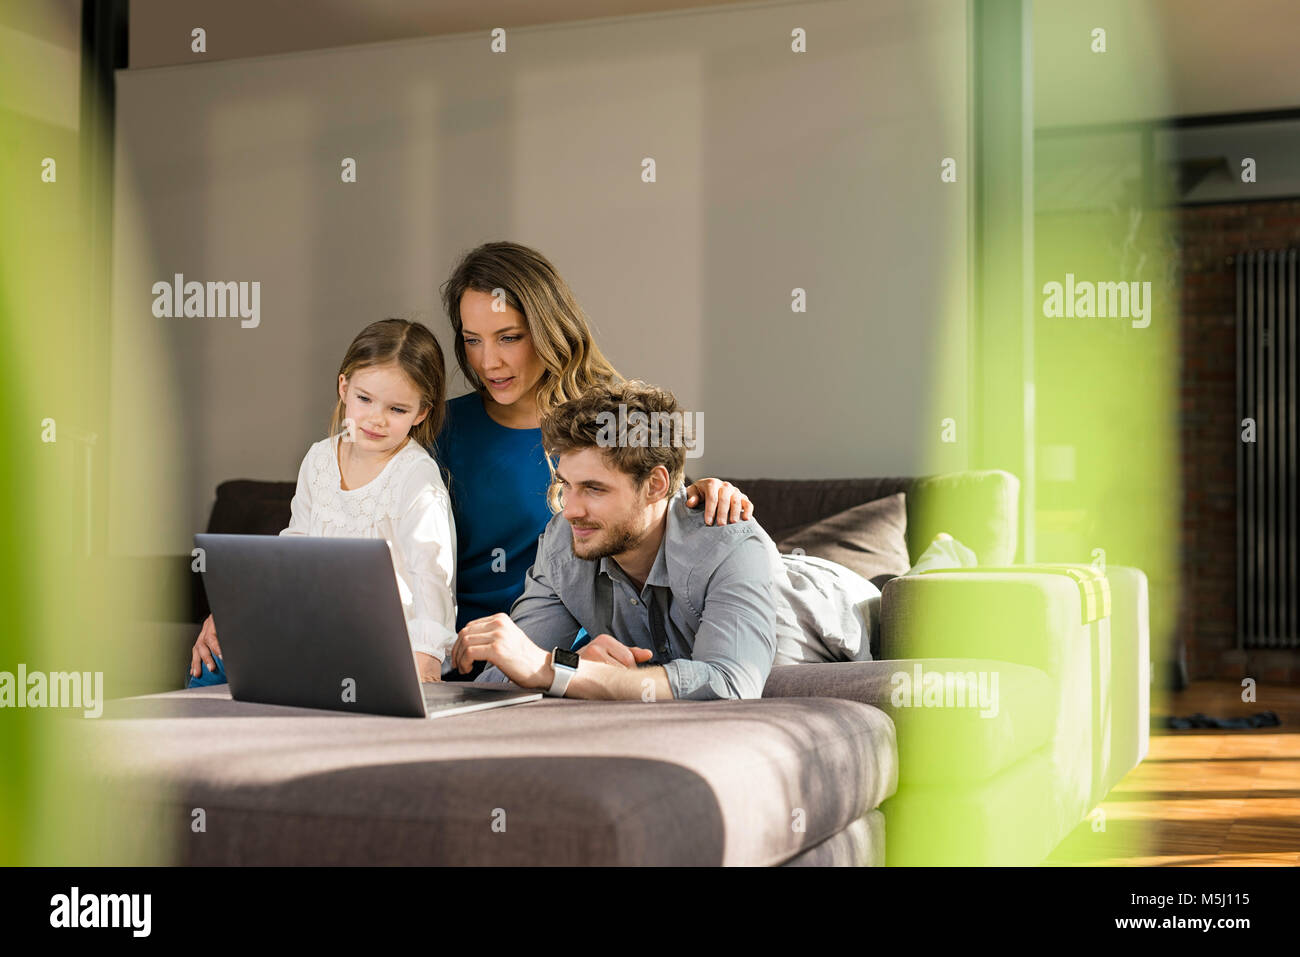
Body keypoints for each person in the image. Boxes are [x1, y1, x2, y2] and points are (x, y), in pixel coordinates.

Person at [432, 241, 753, 678]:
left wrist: (705, 492)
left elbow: (655, 509)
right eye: (472, 341)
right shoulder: (442, 428)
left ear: (547, 329)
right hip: (461, 656)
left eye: (509, 337)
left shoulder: (608, 415)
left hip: (579, 659)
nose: (490, 361)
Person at [450, 380, 874, 700]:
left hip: (848, 603)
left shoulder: (731, 547)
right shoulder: (566, 540)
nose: (572, 508)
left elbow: (728, 681)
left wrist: (561, 670)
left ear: (655, 485)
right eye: (567, 486)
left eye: (594, 489)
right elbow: (513, 670)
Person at [188, 319, 456, 685]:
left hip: (380, 642)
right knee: (214, 661)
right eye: (365, 399)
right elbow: (295, 546)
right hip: (313, 626)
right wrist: (237, 610)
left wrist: (425, 662)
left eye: (397, 409)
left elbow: (432, 579)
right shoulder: (319, 459)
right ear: (344, 387)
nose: (376, 419)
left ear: (421, 412)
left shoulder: (416, 478)